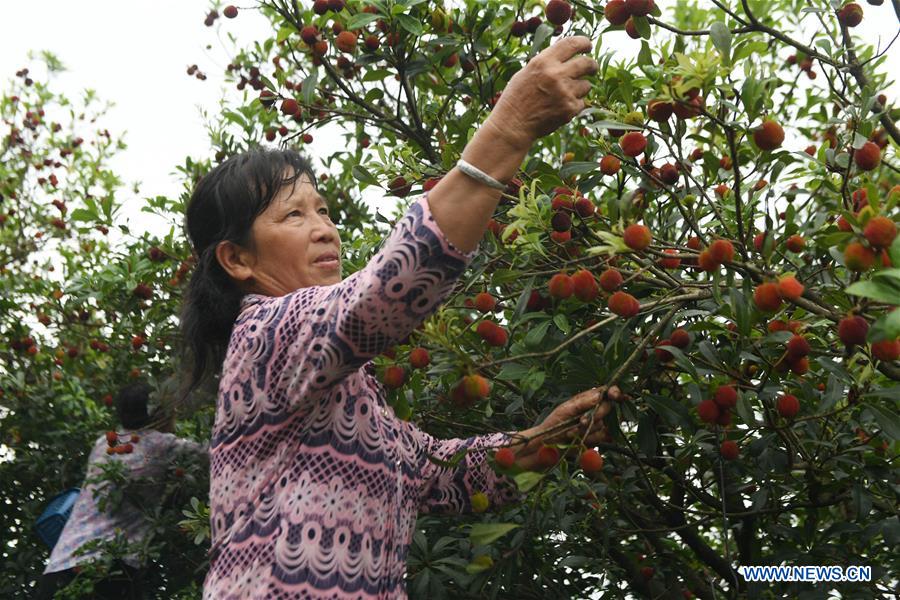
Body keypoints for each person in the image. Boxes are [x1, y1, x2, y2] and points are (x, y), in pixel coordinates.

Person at [180, 36, 615, 598]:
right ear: (237, 259)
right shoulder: (264, 333)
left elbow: (437, 473)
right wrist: (508, 130)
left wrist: (543, 440)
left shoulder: (348, 392)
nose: (325, 229)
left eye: (323, 210)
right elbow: (388, 289)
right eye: (293, 215)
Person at [35, 381, 207, 599]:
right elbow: (217, 456)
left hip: (60, 565)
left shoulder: (104, 444)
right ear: (160, 413)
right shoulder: (162, 445)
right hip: (108, 569)